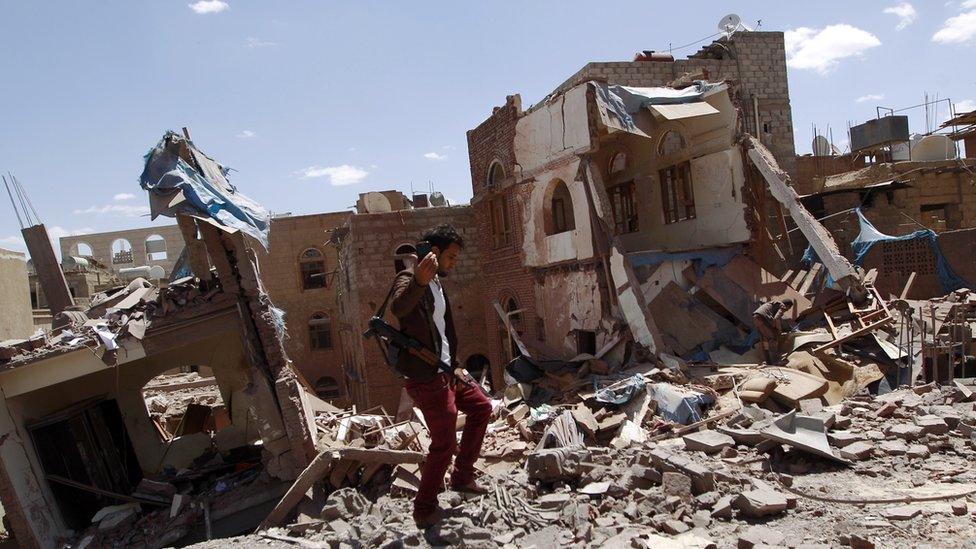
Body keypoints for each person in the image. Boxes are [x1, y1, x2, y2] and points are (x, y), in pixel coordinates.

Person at [388, 224, 493, 528]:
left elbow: (443, 333)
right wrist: (419, 279)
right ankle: (424, 508)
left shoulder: (437, 285)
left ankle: (461, 477)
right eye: (451, 256)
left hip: (448, 370)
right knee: (444, 442)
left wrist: (457, 364)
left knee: (481, 407)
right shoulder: (409, 279)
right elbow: (398, 307)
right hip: (426, 376)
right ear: (434, 253)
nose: (453, 263)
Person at [753, 298, 794, 363]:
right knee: (774, 337)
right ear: (787, 306)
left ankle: (768, 360)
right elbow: (776, 318)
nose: (786, 311)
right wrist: (779, 329)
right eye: (787, 309)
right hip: (763, 318)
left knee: (765, 338)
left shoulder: (773, 303)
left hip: (756, 317)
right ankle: (775, 359)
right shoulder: (782, 305)